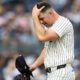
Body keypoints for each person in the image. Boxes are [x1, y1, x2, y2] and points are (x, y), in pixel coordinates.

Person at [30, 2, 75, 80]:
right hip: (56, 73)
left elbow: (42, 37)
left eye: (41, 18)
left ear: (50, 13)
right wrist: (34, 66)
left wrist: (34, 17)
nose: (41, 22)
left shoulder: (62, 23)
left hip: (61, 72)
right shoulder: (51, 28)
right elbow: (47, 50)